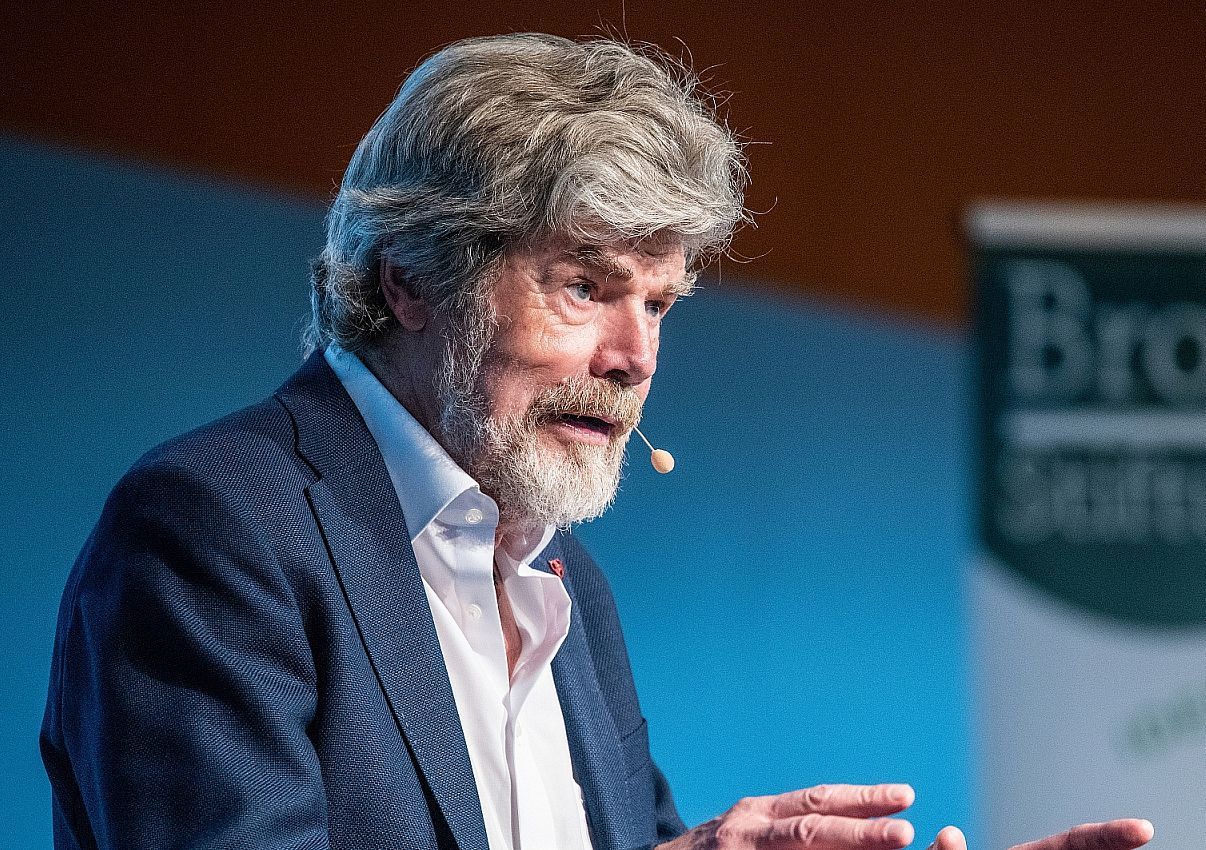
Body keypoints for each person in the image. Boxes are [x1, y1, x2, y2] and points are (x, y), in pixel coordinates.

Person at [40, 32, 1153, 850]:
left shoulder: (565, 584)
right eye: (585, 287)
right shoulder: (219, 529)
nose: (635, 357)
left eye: (659, 303)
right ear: (411, 280)